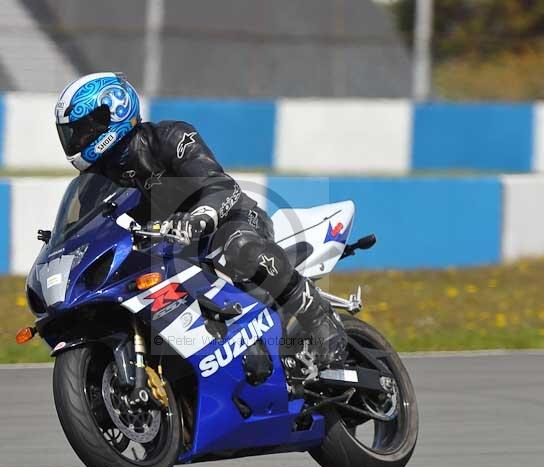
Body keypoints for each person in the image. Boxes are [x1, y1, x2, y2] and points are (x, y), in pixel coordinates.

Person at [53, 72, 346, 367]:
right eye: (73, 134)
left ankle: (321, 320)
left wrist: (198, 217)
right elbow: (89, 230)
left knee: (238, 246)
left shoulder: (171, 138)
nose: (79, 140)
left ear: (114, 111)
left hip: (230, 220)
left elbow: (221, 186)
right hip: (169, 250)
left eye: (85, 130)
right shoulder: (96, 183)